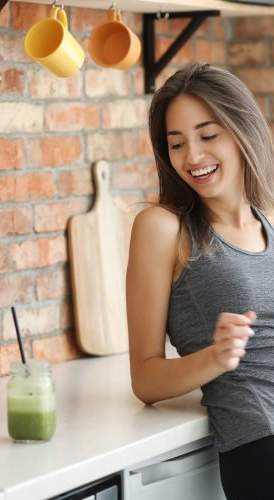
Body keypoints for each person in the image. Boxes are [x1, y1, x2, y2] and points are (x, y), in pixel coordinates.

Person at [126, 62, 274, 500]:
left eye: (208, 136)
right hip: (261, 439)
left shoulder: (269, 222)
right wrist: (215, 358)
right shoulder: (163, 227)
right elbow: (146, 379)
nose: (192, 156)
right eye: (177, 143)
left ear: (242, 129)